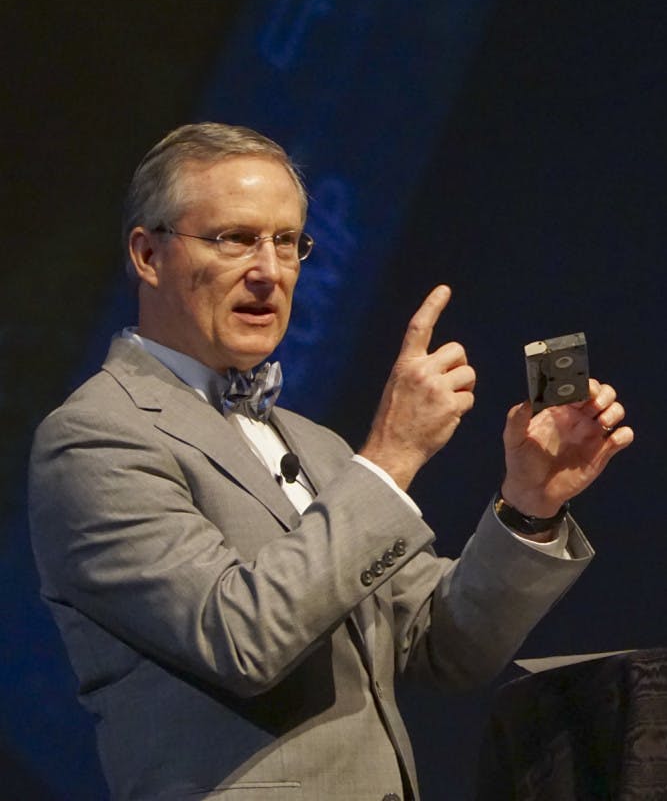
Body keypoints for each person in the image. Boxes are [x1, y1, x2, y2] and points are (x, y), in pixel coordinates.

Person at [29, 122, 633, 801]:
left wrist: (527, 504)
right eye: (234, 238)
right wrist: (393, 454)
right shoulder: (96, 437)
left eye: (286, 241)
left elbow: (442, 646)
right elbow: (240, 638)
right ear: (148, 254)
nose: (269, 270)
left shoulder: (313, 443)